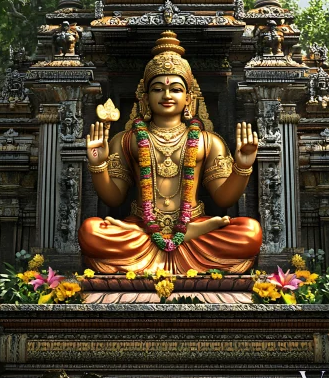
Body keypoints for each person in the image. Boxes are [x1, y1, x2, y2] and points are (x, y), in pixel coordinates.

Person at [78, 31, 262, 274]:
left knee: (250, 232)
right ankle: (165, 242)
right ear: (145, 98)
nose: (166, 95)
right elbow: (113, 199)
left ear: (189, 98)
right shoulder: (127, 140)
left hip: (194, 225)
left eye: (175, 89)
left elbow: (223, 200)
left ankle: (179, 241)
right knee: (91, 231)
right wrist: (98, 165)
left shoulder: (208, 141)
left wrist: (243, 166)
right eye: (157, 89)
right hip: (142, 228)